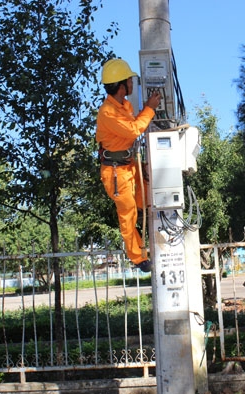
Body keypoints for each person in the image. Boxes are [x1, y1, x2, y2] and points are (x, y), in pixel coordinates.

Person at [96, 58, 161, 273]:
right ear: (122, 85)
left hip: (128, 164)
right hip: (116, 172)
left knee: (146, 198)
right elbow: (133, 130)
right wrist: (150, 109)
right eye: (130, 80)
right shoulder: (107, 112)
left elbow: (130, 133)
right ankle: (138, 257)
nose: (133, 83)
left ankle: (146, 227)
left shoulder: (125, 106)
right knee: (127, 215)